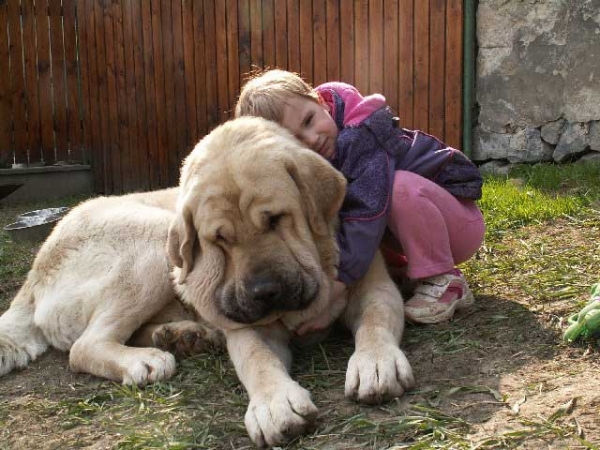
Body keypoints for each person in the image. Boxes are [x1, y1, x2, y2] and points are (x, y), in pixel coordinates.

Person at [234, 69, 485, 330]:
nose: (311, 139)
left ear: (321, 102)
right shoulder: (310, 165)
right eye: (294, 139)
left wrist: (333, 293)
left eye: (309, 121)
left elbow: (365, 216)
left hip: (459, 223)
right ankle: (409, 271)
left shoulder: (361, 137)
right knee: (344, 211)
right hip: (416, 228)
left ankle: (443, 279)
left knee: (397, 188)